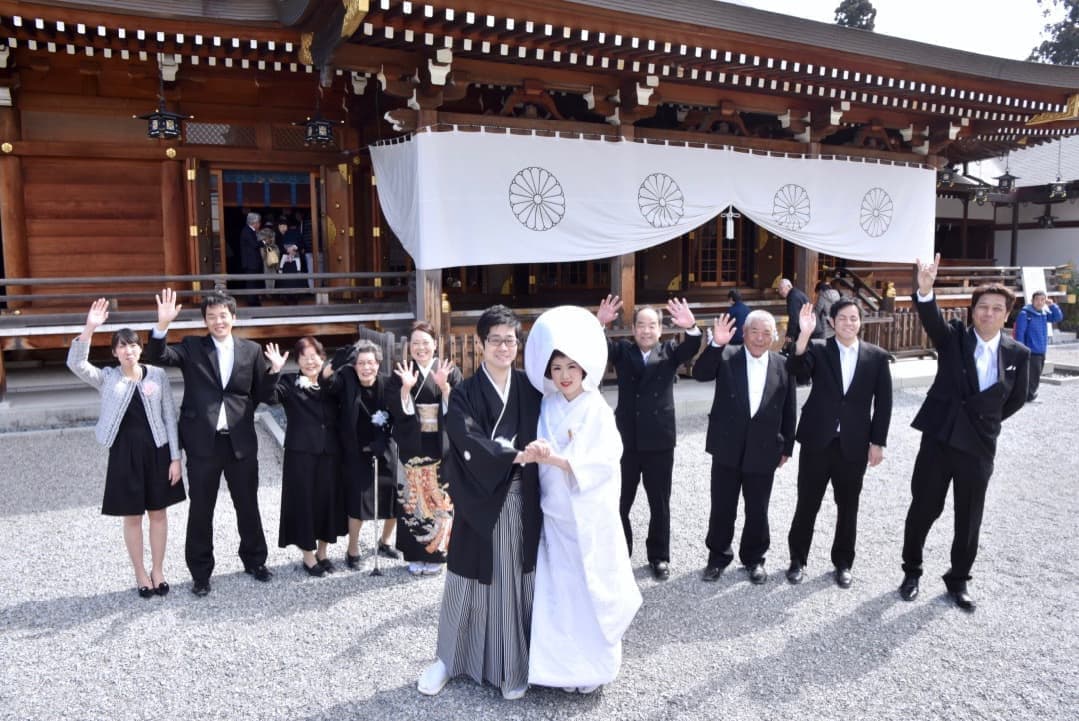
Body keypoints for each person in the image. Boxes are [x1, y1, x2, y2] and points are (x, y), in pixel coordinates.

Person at [417, 305, 543, 701]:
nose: (504, 347)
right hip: (479, 494)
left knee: (513, 580)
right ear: (481, 343)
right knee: (465, 577)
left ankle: (513, 664)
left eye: (511, 339)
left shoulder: (530, 387)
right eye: (496, 340)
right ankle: (447, 658)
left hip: (522, 496)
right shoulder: (467, 392)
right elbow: (464, 438)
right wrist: (511, 454)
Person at [899, 253, 1030, 612]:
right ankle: (911, 570)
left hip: (979, 444)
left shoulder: (1018, 352)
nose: (988, 313)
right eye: (982, 307)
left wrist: (985, 419)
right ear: (972, 311)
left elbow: (1017, 399)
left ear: (1007, 314)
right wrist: (925, 291)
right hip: (940, 438)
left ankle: (958, 580)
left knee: (969, 515)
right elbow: (932, 320)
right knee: (924, 507)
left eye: (996, 308)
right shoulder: (955, 338)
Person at [523, 306, 642, 695]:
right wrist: (541, 452)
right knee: (558, 593)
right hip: (554, 514)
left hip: (587, 517)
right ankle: (556, 669)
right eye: (557, 368)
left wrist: (554, 458)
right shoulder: (546, 405)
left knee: (589, 590)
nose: (565, 375)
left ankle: (592, 669)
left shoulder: (596, 408)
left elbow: (605, 462)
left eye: (572, 367)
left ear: (584, 369)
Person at [146, 289, 281, 597]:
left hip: (240, 442)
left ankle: (255, 561)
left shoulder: (251, 350)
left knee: (247, 504)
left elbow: (264, 395)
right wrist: (162, 325)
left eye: (223, 315)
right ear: (205, 320)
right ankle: (201, 573)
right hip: (203, 443)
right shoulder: (193, 346)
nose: (218, 321)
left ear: (233, 317)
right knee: (201, 509)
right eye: (212, 316)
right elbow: (158, 356)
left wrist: (273, 371)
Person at [67, 299, 185, 598]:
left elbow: (170, 416)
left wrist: (175, 457)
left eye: (132, 345)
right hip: (124, 455)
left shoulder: (156, 375)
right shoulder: (107, 377)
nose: (128, 350)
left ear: (140, 348)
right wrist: (90, 327)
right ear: (115, 352)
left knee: (158, 513)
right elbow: (76, 364)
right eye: (122, 346)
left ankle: (158, 570)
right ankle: (140, 572)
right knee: (132, 516)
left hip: (158, 452)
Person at [785, 299, 893, 589]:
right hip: (818, 440)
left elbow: (884, 404)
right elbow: (797, 371)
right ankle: (797, 560)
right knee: (807, 502)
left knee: (848, 506)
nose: (849, 323)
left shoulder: (876, 356)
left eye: (854, 318)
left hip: (854, 443)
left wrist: (877, 442)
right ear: (831, 322)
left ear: (861, 321)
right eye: (842, 318)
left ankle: (843, 563)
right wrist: (804, 336)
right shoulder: (819, 349)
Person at [595, 295, 702, 581]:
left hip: (659, 440)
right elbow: (597, 348)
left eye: (651, 325)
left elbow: (691, 346)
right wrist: (599, 324)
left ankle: (659, 557)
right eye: (640, 325)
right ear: (633, 329)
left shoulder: (669, 351)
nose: (646, 330)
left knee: (659, 502)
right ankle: (621, 555)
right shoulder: (623, 352)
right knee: (621, 501)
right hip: (626, 440)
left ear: (660, 329)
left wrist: (691, 326)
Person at [693, 310, 796, 584]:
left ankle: (754, 559)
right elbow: (700, 373)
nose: (760, 338)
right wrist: (716, 344)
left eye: (766, 333)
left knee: (758, 508)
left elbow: (789, 408)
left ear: (774, 337)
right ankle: (717, 558)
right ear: (744, 333)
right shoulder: (727, 356)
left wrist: (787, 446)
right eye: (755, 332)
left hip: (764, 448)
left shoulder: (783, 364)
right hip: (727, 445)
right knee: (723, 506)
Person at [264, 337, 346, 576]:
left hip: (330, 452)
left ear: (323, 358)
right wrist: (275, 370)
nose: (310, 361)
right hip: (301, 454)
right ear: (297, 361)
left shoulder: (331, 383)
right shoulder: (289, 382)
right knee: (304, 502)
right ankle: (308, 556)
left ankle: (323, 551)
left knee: (327, 501)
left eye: (315, 356)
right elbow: (269, 398)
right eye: (304, 357)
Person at [388, 322, 462, 577]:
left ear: (435, 344)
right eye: (415, 343)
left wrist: (445, 388)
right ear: (410, 346)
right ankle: (414, 554)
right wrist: (405, 389)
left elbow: (461, 408)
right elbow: (393, 407)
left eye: (425, 342)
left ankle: (438, 554)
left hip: (440, 445)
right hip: (412, 444)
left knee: (438, 498)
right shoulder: (402, 372)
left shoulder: (448, 371)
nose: (420, 347)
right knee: (412, 498)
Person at [334, 339, 399, 569]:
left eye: (370, 363)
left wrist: (382, 442)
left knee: (393, 495)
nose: (366, 368)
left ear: (378, 364)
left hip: (383, 444)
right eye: (361, 363)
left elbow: (394, 415)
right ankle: (352, 550)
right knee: (358, 500)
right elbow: (331, 378)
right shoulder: (347, 381)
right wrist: (346, 354)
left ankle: (385, 540)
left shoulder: (387, 383)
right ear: (355, 366)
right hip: (355, 449)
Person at [1013, 290, 1062, 401]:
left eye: (1042, 300)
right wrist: (1021, 350)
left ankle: (1028, 395)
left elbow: (1057, 318)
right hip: (1030, 350)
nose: (1040, 302)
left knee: (1035, 374)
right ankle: (1029, 396)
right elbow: (1019, 333)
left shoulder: (1043, 314)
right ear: (1032, 300)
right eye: (1037, 300)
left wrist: (1053, 305)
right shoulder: (1025, 314)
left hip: (1041, 349)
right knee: (1031, 375)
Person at [239, 212, 264, 306]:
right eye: (259, 222)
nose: (260, 224)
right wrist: (264, 242)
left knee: (254, 282)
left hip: (253, 262)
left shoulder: (250, 231)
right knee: (251, 282)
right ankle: (252, 302)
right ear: (254, 222)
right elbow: (254, 244)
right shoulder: (247, 231)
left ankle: (255, 300)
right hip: (250, 262)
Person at [778, 278, 810, 349]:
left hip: (808, 330)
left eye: (781, 288)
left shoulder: (792, 297)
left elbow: (794, 318)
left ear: (789, 286)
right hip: (808, 328)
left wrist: (789, 335)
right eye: (779, 290)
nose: (780, 292)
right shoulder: (796, 293)